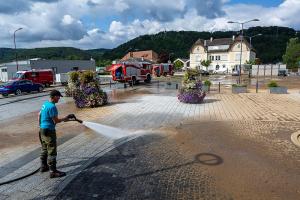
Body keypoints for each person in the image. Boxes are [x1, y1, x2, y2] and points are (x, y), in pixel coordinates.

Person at [38, 90, 71, 178]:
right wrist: (65, 119)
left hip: (42, 129)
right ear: (54, 96)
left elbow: (39, 115)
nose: (59, 98)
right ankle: (53, 171)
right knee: (52, 150)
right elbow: (56, 121)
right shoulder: (52, 107)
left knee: (44, 147)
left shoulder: (45, 104)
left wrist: (40, 126)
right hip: (49, 130)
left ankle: (43, 166)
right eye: (58, 96)